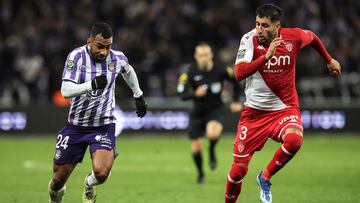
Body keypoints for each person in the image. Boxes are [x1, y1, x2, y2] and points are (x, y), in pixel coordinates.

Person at [224, 4, 341, 203]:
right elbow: (239, 74)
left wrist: (329, 59)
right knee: (237, 171)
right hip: (254, 113)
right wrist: (266, 56)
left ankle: (265, 176)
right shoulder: (248, 39)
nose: (260, 30)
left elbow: (312, 37)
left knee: (294, 140)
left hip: (284, 108)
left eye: (265, 25)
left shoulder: (293, 37)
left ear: (277, 26)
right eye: (257, 24)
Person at [48, 22, 147, 203]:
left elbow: (128, 70)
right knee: (58, 180)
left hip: (103, 126)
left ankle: (88, 183)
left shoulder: (117, 58)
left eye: (108, 47)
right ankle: (55, 199)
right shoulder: (76, 57)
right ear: (89, 41)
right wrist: (91, 85)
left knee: (101, 173)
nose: (104, 52)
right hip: (76, 127)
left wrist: (138, 95)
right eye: (100, 46)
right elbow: (65, 90)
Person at [177, 43, 242, 184]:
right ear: (196, 56)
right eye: (200, 55)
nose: (203, 58)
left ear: (211, 55)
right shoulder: (190, 71)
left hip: (215, 109)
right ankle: (200, 174)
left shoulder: (221, 69)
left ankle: (212, 150)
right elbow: (181, 94)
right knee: (195, 149)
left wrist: (236, 101)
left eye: (206, 55)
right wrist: (195, 94)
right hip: (198, 111)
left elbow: (236, 83)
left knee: (213, 133)